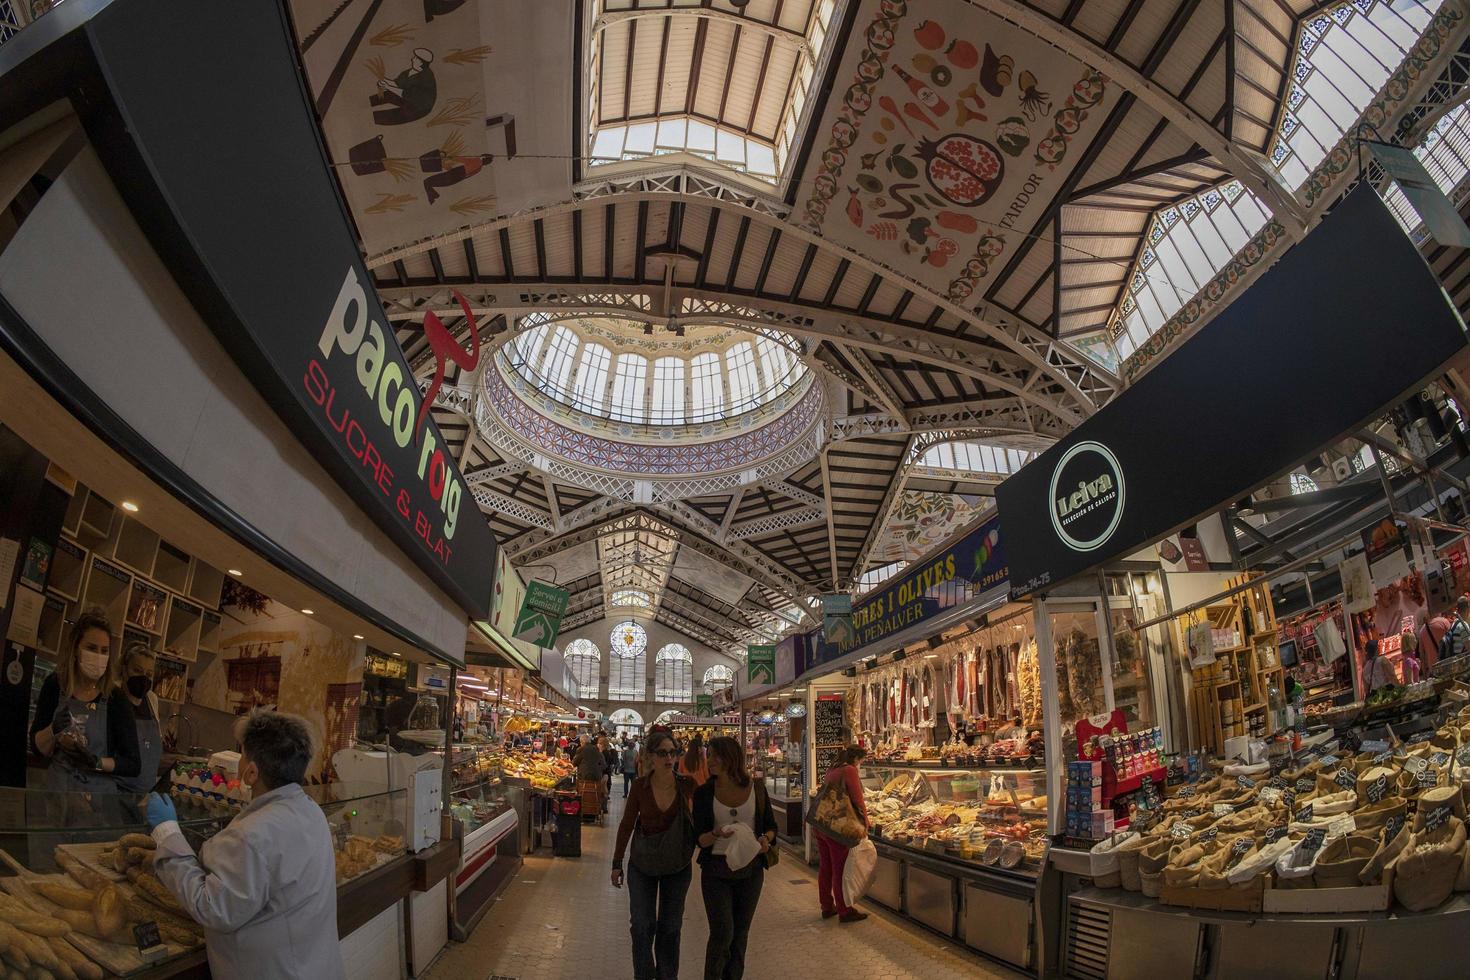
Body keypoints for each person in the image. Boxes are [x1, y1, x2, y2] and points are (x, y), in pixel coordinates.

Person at [145, 711, 344, 980]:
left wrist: (166, 833)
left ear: (251, 772)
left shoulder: (253, 834)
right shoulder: (311, 811)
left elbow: (211, 907)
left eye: (242, 755)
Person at [612, 731, 696, 980]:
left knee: (670, 928)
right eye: (663, 753)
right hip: (643, 864)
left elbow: (704, 817)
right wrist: (617, 863)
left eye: (673, 752)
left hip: (677, 866)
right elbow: (626, 825)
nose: (669, 758)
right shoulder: (640, 787)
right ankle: (644, 974)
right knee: (641, 925)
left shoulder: (686, 785)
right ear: (651, 756)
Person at [693, 736, 777, 980]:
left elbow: (771, 828)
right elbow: (699, 839)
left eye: (717, 756)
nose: (711, 761)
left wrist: (765, 840)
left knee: (740, 934)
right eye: (710, 755)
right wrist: (714, 834)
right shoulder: (704, 793)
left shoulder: (756, 789)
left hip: (750, 870)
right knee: (722, 933)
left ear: (732, 758)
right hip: (716, 870)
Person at [30, 609, 139, 792]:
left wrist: (96, 762)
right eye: (91, 648)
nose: (98, 656)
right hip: (58, 793)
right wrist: (52, 730)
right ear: (75, 649)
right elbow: (37, 748)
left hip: (97, 800)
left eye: (104, 651)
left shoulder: (115, 698)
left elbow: (133, 764)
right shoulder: (55, 685)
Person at [815, 745, 870, 923]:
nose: (860, 764)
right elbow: (857, 799)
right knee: (840, 869)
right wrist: (865, 822)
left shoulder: (833, 768)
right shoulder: (849, 770)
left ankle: (826, 906)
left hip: (822, 822)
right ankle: (844, 910)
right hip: (837, 826)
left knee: (826, 867)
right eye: (861, 761)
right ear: (856, 758)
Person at [113, 641, 164, 795]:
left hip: (144, 794)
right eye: (137, 670)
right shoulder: (113, 696)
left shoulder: (152, 699)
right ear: (124, 669)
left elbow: (152, 752)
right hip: (114, 791)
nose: (143, 678)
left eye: (149, 674)